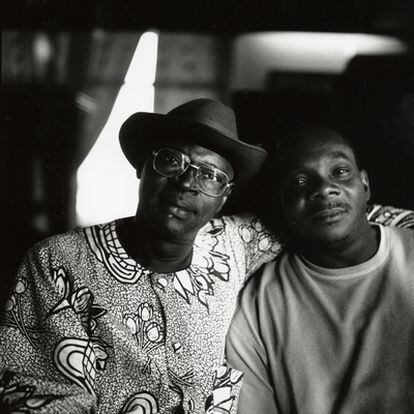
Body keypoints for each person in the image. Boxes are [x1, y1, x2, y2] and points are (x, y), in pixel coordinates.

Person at [0, 102, 411, 414]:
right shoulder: (58, 263)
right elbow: (39, 399)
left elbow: (331, 215)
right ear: (142, 168)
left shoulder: (235, 243)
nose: (186, 183)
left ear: (225, 197)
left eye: (210, 175)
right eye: (170, 161)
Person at [226, 124, 414, 413]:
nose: (324, 188)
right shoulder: (257, 306)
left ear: (364, 185)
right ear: (284, 203)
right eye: (300, 181)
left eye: (339, 171)